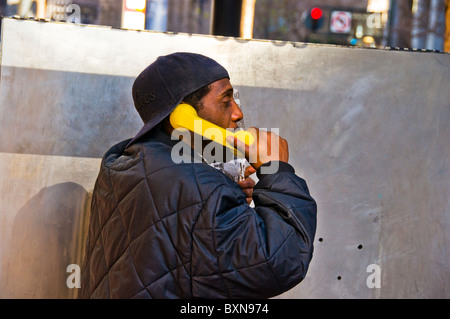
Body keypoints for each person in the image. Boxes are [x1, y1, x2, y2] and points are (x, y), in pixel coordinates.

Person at [80, 52, 317, 299]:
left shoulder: (125, 167)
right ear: (183, 117)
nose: (237, 114)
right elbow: (281, 260)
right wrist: (274, 168)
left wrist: (227, 204)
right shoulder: (196, 186)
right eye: (226, 100)